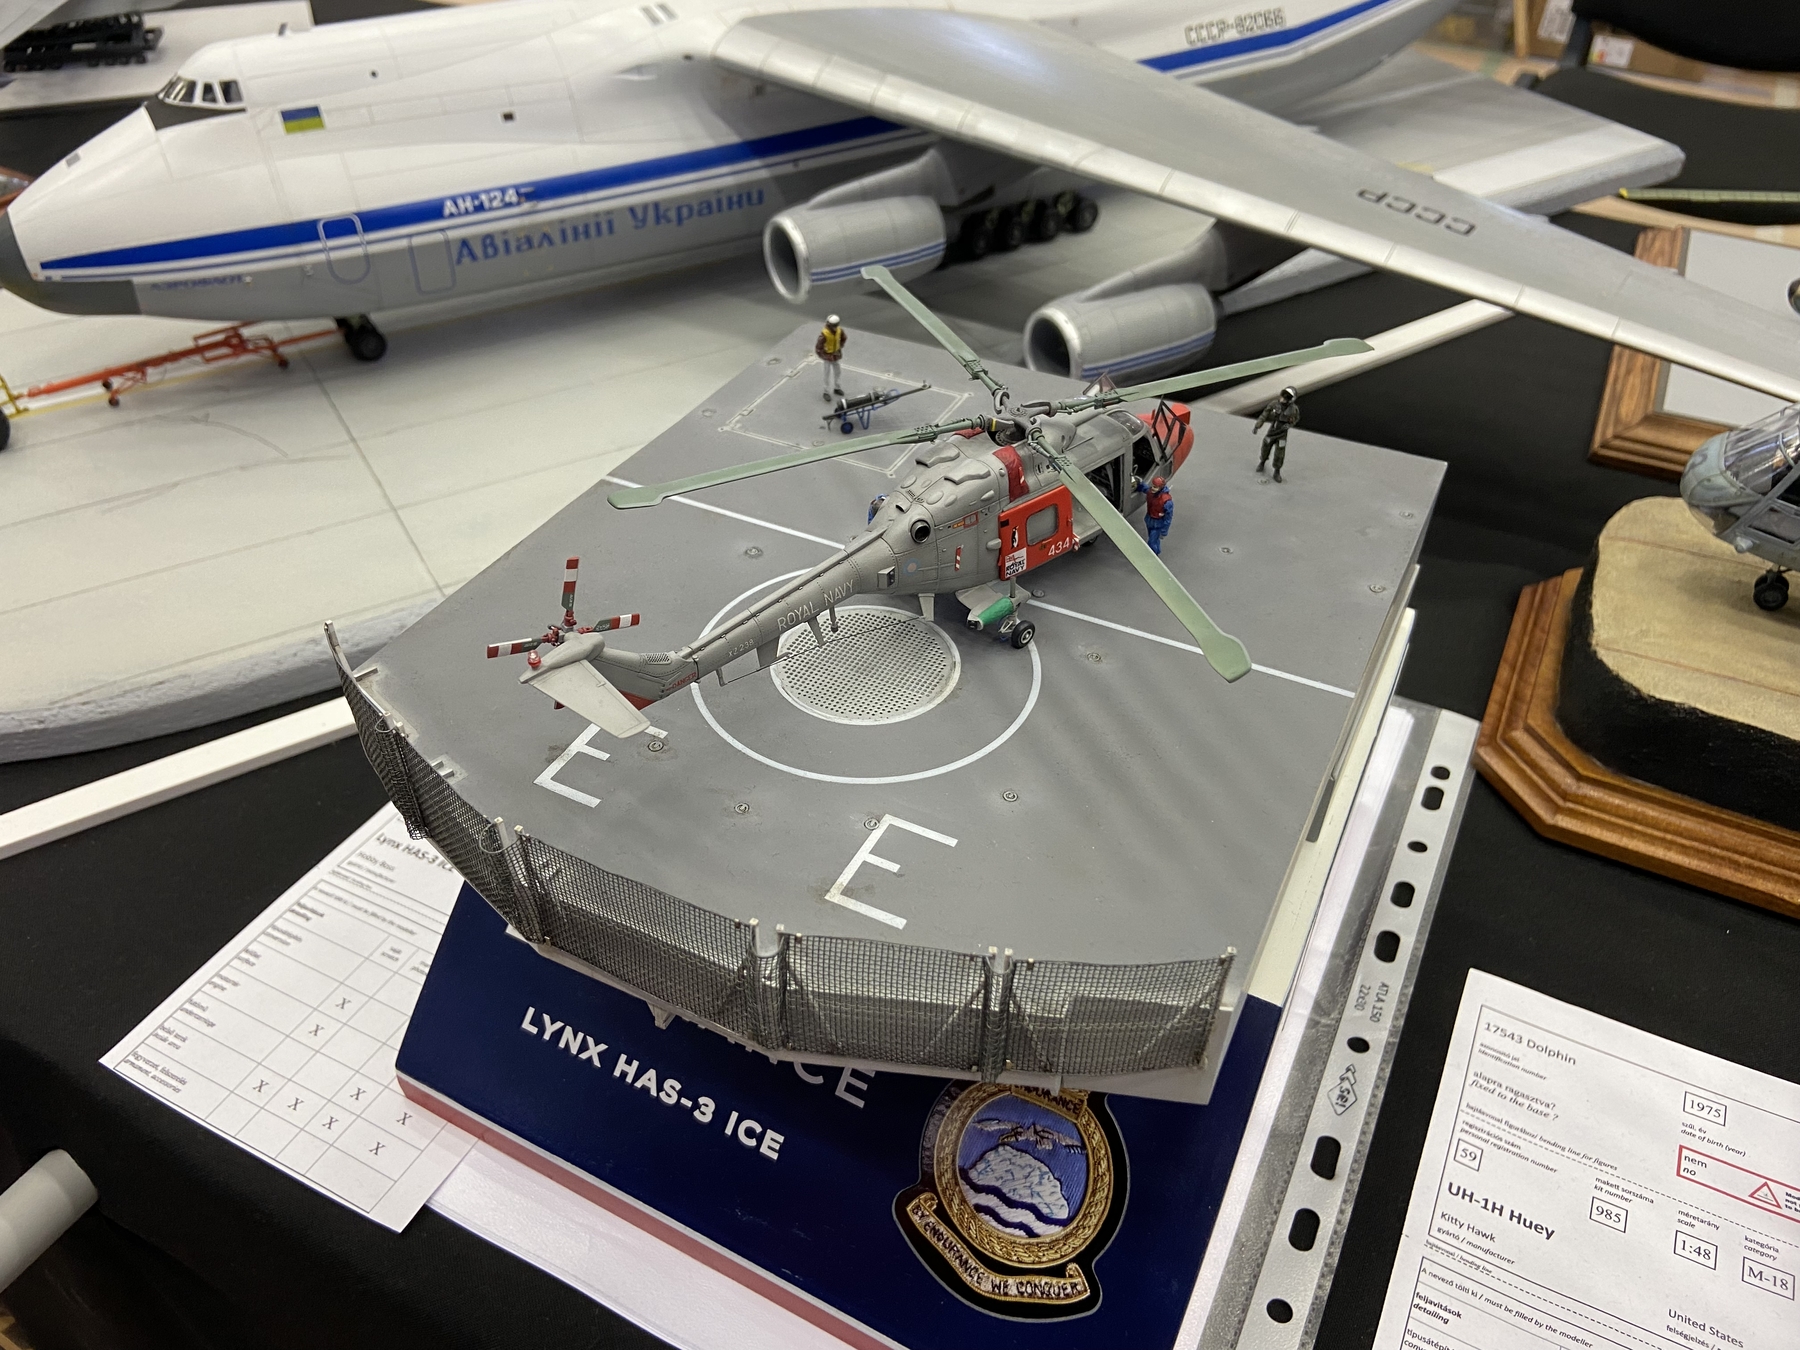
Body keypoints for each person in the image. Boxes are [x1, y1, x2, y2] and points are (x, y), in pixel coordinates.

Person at [1254, 386, 1300, 483]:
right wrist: (1257, 426)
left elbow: (1296, 418)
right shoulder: (1274, 405)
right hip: (1272, 432)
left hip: (1282, 434)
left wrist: (1289, 425)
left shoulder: (1293, 409)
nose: (1283, 398)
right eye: (1283, 395)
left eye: (1286, 397)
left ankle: (1277, 471)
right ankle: (1262, 462)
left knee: (1280, 453)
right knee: (1265, 447)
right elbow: (1264, 414)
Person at [1135, 474, 1173, 555]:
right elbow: (1145, 489)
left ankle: (1152, 555)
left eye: (1155, 487)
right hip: (1150, 520)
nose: (1152, 488)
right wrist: (1139, 483)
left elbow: (1168, 518)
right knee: (1153, 539)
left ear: (1160, 488)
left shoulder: (1166, 501)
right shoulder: (1151, 492)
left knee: (1152, 541)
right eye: (1153, 486)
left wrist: (1164, 531)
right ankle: (1156, 551)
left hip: (1158, 523)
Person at [816, 315, 846, 399]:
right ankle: (826, 392)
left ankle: (837, 388)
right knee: (826, 374)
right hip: (827, 356)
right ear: (829, 325)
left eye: (836, 325)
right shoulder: (824, 334)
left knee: (838, 372)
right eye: (833, 325)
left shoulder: (839, 330)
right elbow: (818, 347)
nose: (835, 327)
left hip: (835, 355)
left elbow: (843, 338)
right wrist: (823, 356)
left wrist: (840, 346)